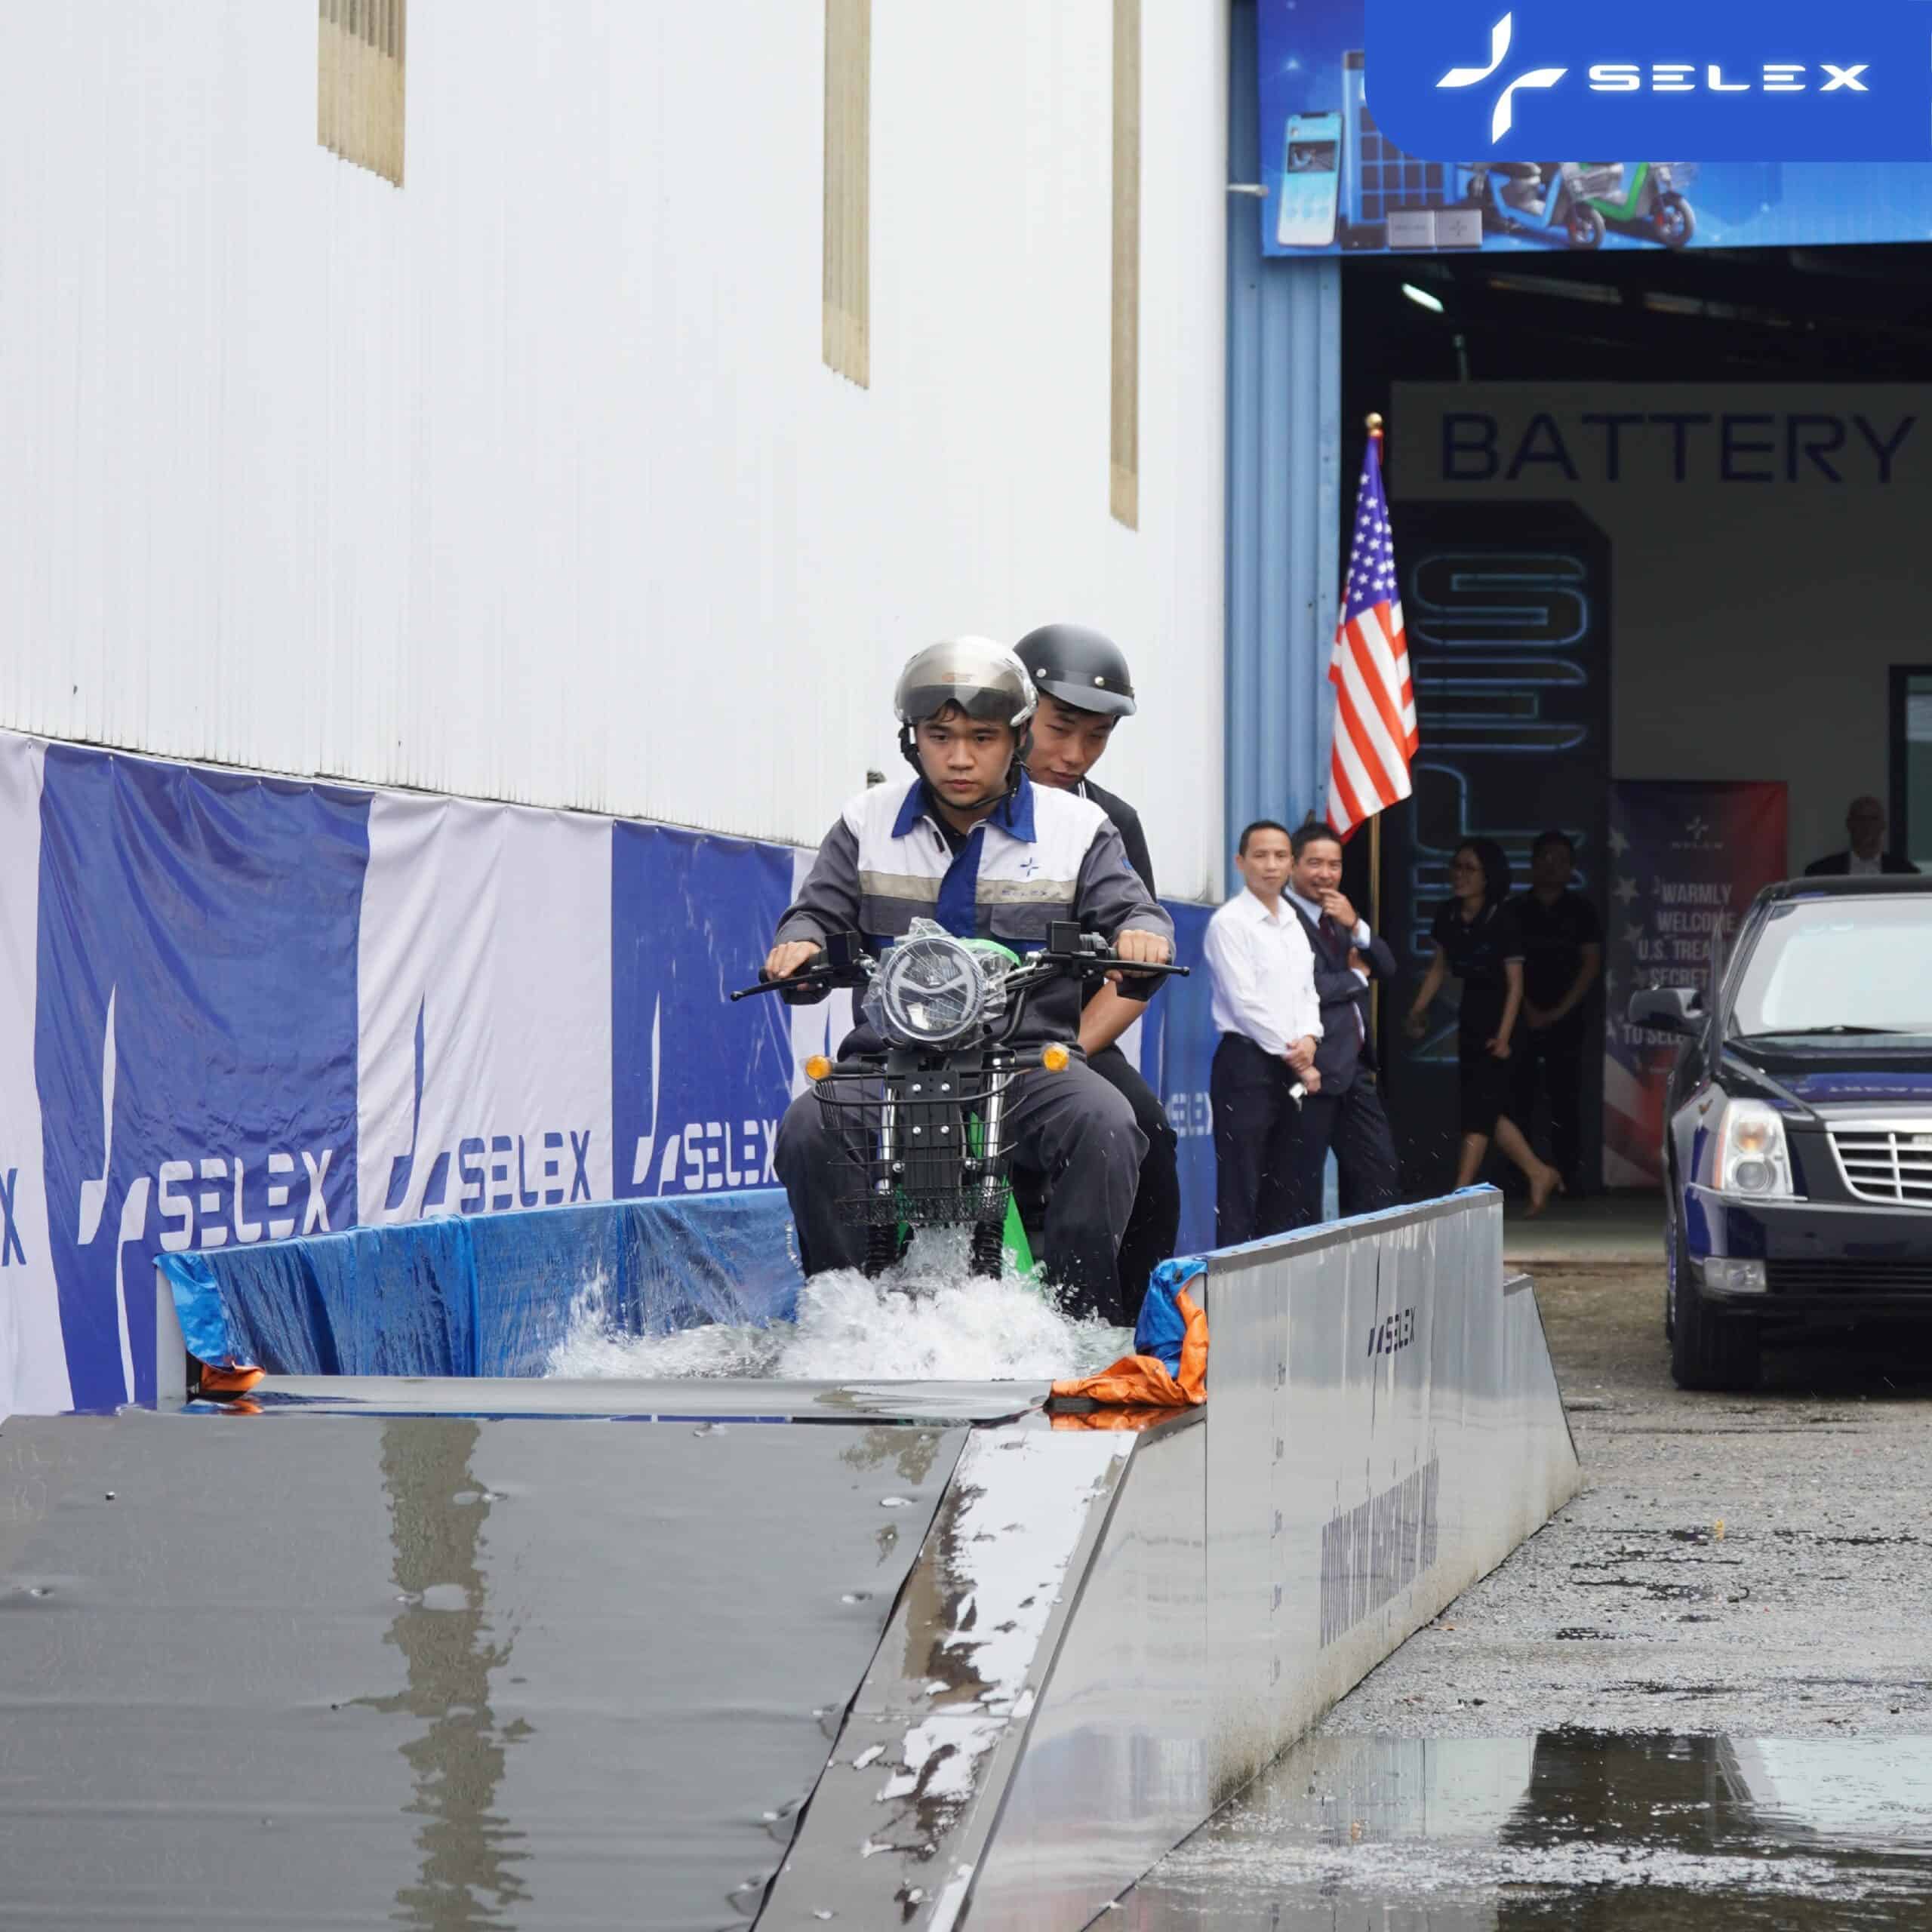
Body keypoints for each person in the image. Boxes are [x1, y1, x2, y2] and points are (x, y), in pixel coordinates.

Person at [767, 637, 1174, 1323]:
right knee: (809, 1127)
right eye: (940, 736)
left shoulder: (1080, 826)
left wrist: (1143, 933)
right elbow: (814, 911)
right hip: (887, 1062)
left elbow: (1135, 909)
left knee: (1108, 1123)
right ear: (912, 740)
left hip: (1026, 1063)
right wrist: (799, 945)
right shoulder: (864, 822)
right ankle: (837, 1316)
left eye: (982, 738)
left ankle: (1081, 1324)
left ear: (1016, 737)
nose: (960, 758)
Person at [1013, 621, 1178, 1321]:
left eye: (1097, 737)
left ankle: (1125, 1326)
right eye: (1059, 729)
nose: (1074, 754)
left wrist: (1067, 1053)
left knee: (1146, 1134)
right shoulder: (940, 803)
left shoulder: (1111, 822)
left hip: (1064, 1038)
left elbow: (1135, 966)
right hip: (940, 1043)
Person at [1404, 838, 1562, 1213]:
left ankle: (1460, 1191)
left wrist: (1506, 1036)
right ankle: (1539, 1172)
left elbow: (1516, 983)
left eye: (1469, 868)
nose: (1460, 875)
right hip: (1473, 1014)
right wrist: (1418, 1009)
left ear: (1489, 876)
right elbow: (1439, 967)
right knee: (1485, 1108)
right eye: (1456, 866)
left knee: (1481, 1109)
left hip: (1504, 1019)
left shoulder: (1505, 918)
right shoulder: (1447, 914)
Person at [1204, 820, 1323, 1247]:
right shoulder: (1230, 923)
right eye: (1260, 855)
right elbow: (1245, 1003)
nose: (1270, 865)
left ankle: (1280, 1287)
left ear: (1291, 864)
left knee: (1286, 1180)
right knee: (1241, 1184)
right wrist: (1296, 1056)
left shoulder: (1293, 921)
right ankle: (1232, 1291)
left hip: (1292, 1066)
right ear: (1240, 862)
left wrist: (1310, 1039)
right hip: (1248, 1065)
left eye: (1279, 856)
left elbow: (1309, 991)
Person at [1281, 821, 1401, 1225]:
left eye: (1335, 864)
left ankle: (1383, 1272)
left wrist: (1356, 925)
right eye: (1315, 863)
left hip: (1357, 1070)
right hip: (1312, 1071)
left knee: (1379, 1176)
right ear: (1294, 865)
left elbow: (1386, 966)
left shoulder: (1339, 915)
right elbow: (1305, 986)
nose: (1326, 874)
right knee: (1301, 1183)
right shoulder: (1282, 918)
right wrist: (1354, 977)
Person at [1506, 830, 1603, 1198]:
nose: (1552, 866)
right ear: (1532, 864)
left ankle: (1568, 1180)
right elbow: (1508, 968)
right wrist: (1529, 1009)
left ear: (1572, 867)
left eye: (1560, 859)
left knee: (1567, 1100)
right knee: (1518, 1099)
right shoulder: (1515, 910)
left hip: (1569, 1019)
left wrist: (1557, 1012)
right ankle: (1520, 1179)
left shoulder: (1582, 910)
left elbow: (1590, 965)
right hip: (1520, 1018)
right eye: (1545, 858)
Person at [1804, 795, 1919, 876]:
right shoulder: (1820, 872)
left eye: (1873, 819)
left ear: (1883, 825)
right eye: (1860, 819)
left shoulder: (1906, 872)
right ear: (1849, 824)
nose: (1867, 825)